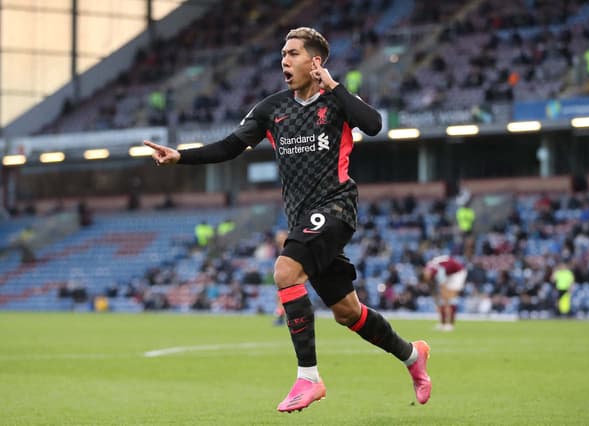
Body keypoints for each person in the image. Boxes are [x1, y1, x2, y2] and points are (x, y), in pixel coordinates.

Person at [143, 27, 431, 413]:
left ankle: (308, 378)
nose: (284, 60)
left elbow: (375, 124)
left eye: (293, 53)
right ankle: (413, 356)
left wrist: (335, 86)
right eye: (282, 54)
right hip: (303, 220)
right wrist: (180, 156)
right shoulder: (272, 109)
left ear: (315, 62)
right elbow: (231, 146)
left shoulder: (338, 102)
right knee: (348, 312)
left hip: (336, 208)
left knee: (284, 271)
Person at [423, 255, 467, 331]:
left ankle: (450, 324)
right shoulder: (429, 267)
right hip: (449, 273)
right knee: (443, 299)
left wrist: (441, 297)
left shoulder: (439, 270)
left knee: (449, 298)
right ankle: (443, 323)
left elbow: (442, 287)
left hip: (457, 273)